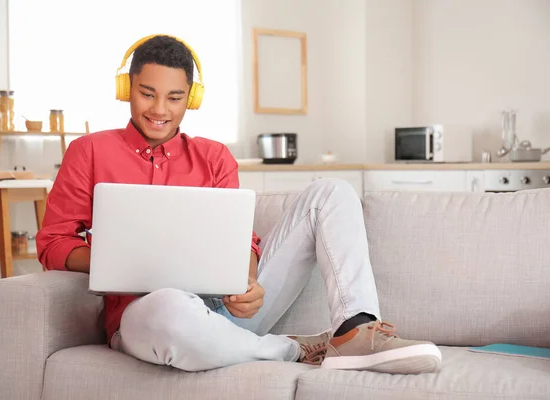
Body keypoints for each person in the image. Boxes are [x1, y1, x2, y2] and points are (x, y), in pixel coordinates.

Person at [37, 35, 442, 374]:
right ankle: (292, 351)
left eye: (174, 97)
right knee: (168, 306)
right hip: (151, 316)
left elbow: (242, 241)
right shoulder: (89, 151)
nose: (160, 110)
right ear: (127, 88)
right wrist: (122, 259)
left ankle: (355, 332)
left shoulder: (214, 157)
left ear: (191, 99)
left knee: (331, 192)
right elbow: (53, 242)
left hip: (227, 312)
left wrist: (246, 281)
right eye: (147, 94)